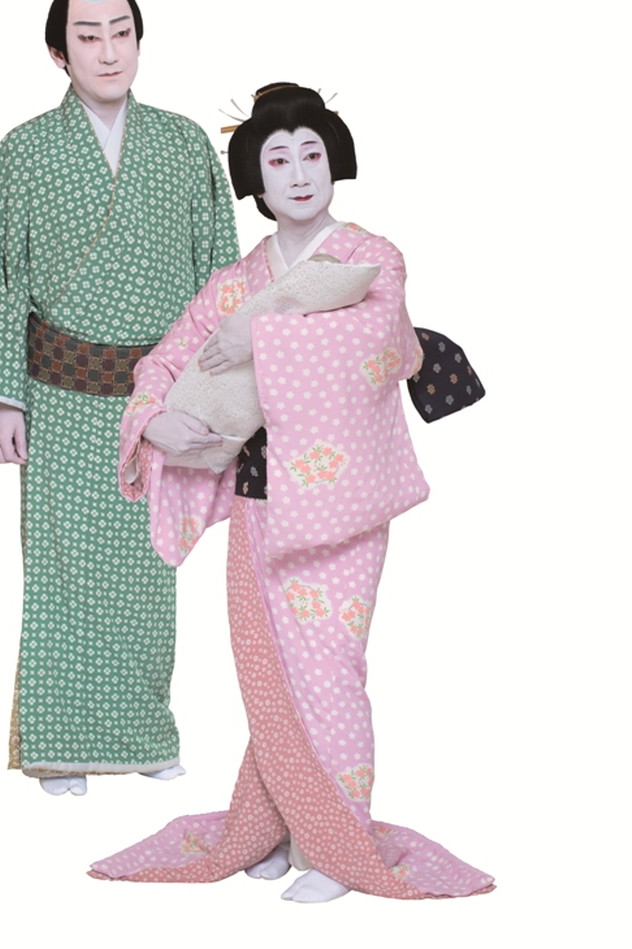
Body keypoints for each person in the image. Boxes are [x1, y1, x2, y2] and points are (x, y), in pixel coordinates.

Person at [89, 84, 493, 901]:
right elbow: (165, 359)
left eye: (312, 153)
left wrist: (258, 334)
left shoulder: (373, 258)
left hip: (343, 504)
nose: (300, 173)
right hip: (259, 498)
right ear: (257, 178)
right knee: (270, 670)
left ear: (334, 160)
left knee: (331, 667)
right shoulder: (237, 279)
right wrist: (154, 421)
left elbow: (374, 343)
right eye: (279, 159)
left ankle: (339, 844)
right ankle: (275, 821)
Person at [0, 0, 238, 795]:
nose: (108, 51)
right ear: (58, 53)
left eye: (121, 33)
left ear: (139, 41)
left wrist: (213, 393)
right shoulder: (25, 151)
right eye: (88, 36)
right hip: (60, 393)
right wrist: (0, 396)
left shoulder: (184, 144)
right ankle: (59, 745)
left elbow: (220, 271)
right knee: (61, 571)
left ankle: (143, 733)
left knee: (147, 569)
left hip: (157, 395)